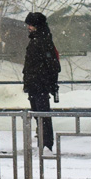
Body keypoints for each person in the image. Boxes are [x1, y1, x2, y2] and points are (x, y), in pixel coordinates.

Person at [23, 11, 61, 152]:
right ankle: (44, 142)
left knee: (42, 115)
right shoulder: (39, 40)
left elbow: (53, 65)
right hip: (36, 84)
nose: (29, 27)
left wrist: (44, 81)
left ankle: (46, 144)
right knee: (40, 115)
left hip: (39, 85)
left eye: (31, 25)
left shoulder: (42, 41)